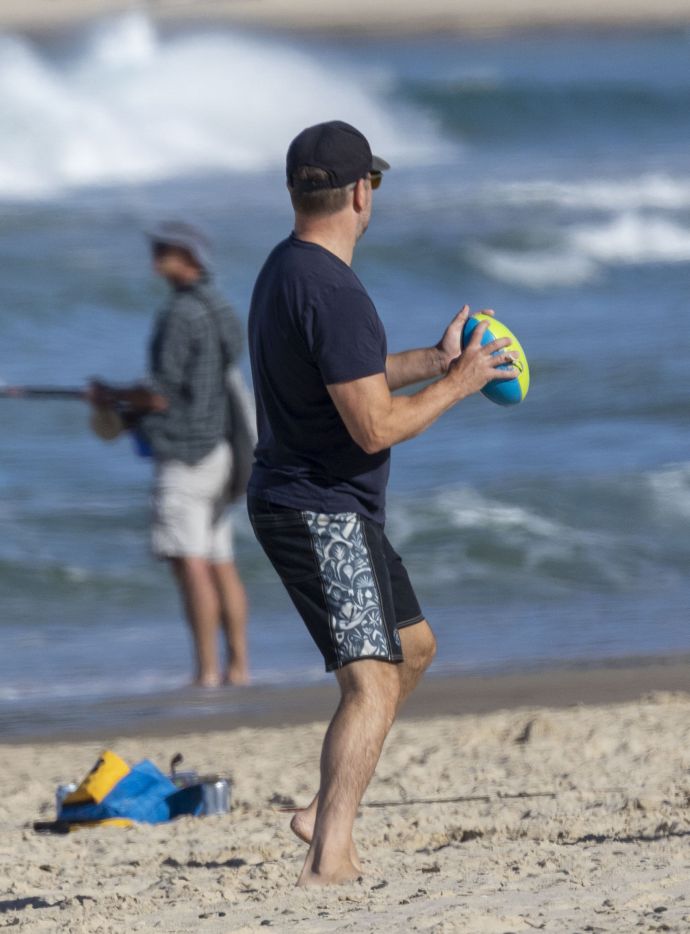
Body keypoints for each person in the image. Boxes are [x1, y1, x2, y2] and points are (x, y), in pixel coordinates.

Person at [246, 120, 518, 885]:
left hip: (319, 503)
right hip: (317, 508)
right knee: (370, 681)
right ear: (362, 193)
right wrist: (457, 385)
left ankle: (320, 805)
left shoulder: (288, 268)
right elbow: (372, 427)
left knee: (416, 648)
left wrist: (431, 360)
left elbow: (349, 378)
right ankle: (331, 852)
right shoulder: (334, 291)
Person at [90, 221, 250, 688]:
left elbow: (158, 395)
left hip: (184, 455)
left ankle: (205, 672)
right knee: (221, 561)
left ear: (187, 257)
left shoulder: (180, 313)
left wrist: (109, 394)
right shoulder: (221, 307)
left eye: (164, 250)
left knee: (190, 563)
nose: (155, 257)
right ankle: (238, 668)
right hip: (222, 448)